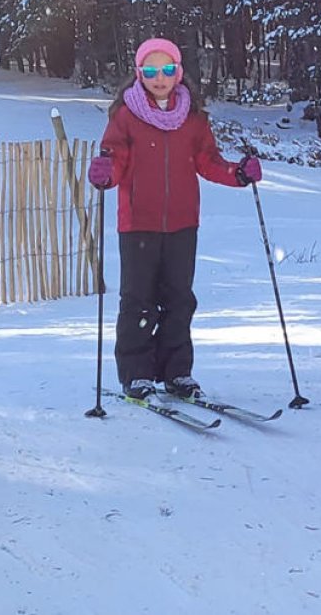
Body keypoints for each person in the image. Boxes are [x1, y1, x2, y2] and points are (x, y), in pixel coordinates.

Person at [87, 37, 263, 400]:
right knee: (138, 300)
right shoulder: (126, 115)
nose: (160, 78)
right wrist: (104, 171)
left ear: (178, 72)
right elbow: (115, 160)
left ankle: (177, 371)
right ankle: (136, 373)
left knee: (179, 298)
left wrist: (238, 173)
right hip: (138, 222)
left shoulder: (193, 118)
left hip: (183, 223)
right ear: (139, 74)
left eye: (167, 69)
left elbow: (208, 161)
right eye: (150, 71)